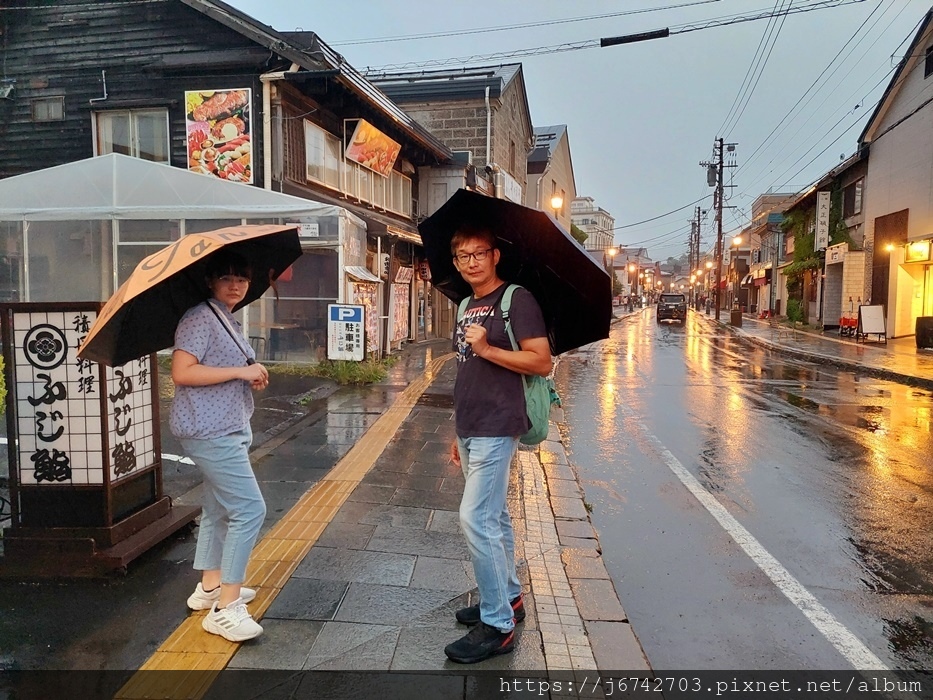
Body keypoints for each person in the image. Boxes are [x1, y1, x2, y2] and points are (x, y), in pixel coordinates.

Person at [444, 225, 552, 664]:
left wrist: (488, 348)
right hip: (472, 423)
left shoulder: (516, 300)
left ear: (495, 256)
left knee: (476, 519)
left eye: (479, 253)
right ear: (456, 262)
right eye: (463, 255)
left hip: (499, 423)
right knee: (496, 517)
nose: (472, 261)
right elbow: (464, 370)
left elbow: (541, 361)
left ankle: (497, 625)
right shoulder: (467, 304)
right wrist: (457, 429)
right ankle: (509, 598)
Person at [170, 250, 270, 642]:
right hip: (208, 430)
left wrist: (249, 375)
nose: (236, 284)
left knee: (217, 506)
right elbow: (182, 371)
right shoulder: (199, 317)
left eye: (242, 278)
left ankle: (210, 585)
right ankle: (226, 608)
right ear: (210, 281)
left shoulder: (224, 318)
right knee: (248, 508)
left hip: (227, 424)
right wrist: (240, 371)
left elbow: (226, 368)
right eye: (226, 277)